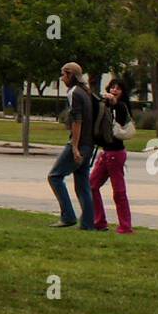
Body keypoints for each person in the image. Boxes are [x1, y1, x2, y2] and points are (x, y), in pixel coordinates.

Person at [47, 61, 95, 229]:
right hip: (89, 144)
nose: (61, 78)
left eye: (63, 74)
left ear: (70, 75)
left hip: (79, 144)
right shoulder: (86, 91)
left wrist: (74, 147)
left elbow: (77, 121)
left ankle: (68, 216)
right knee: (83, 184)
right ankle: (88, 224)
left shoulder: (74, 92)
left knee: (54, 176)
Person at [89, 77, 134, 233]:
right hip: (106, 152)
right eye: (112, 87)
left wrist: (113, 102)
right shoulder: (104, 106)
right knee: (92, 186)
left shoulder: (122, 107)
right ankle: (99, 221)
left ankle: (125, 226)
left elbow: (120, 112)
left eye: (118, 88)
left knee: (119, 192)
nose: (114, 90)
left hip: (116, 153)